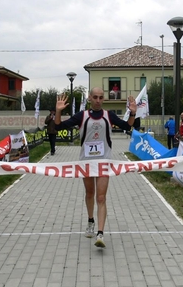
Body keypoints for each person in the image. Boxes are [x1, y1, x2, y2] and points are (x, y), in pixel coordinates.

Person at [54, 87, 137, 248]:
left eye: (101, 97)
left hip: (104, 162)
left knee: (101, 197)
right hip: (86, 162)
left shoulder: (109, 115)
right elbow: (58, 127)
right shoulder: (82, 116)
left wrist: (133, 113)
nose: (98, 100)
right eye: (95, 97)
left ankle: (100, 233)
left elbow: (127, 126)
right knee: (90, 193)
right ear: (90, 98)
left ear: (103, 99)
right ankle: (90, 221)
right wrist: (58, 112)